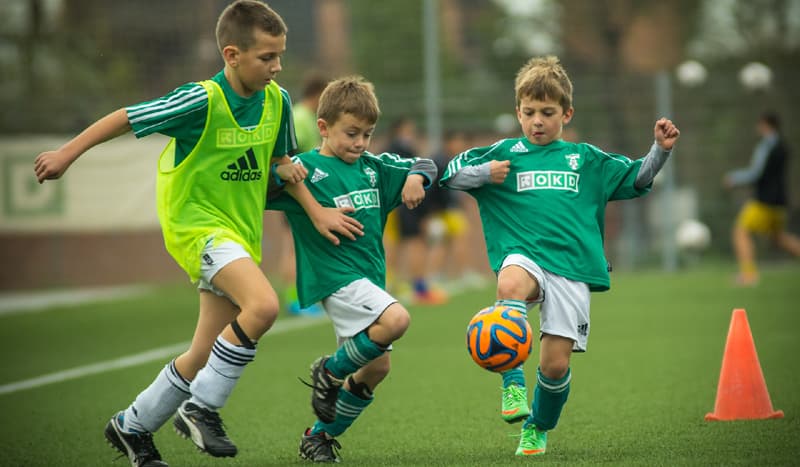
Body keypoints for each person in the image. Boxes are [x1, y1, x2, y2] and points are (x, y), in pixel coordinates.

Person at [33, 2, 362, 466]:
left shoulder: (279, 102)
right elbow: (128, 116)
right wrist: (67, 154)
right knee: (264, 306)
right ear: (231, 54)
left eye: (280, 55)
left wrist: (317, 212)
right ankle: (200, 409)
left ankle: (132, 426)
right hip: (198, 229)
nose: (277, 66)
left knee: (205, 351)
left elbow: (283, 166)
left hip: (241, 235)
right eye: (266, 57)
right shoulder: (201, 99)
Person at [439, 56, 680, 456]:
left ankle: (538, 426)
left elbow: (637, 177)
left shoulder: (584, 159)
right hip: (525, 257)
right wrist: (485, 175)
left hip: (572, 269)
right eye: (529, 112)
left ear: (566, 114)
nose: (537, 121)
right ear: (518, 112)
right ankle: (512, 382)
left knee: (554, 365)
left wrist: (660, 150)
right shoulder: (503, 153)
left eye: (547, 113)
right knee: (509, 282)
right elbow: (450, 174)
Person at [267, 76, 437, 463]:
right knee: (396, 319)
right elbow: (258, 186)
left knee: (377, 368)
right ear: (323, 128)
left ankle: (318, 438)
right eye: (351, 133)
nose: (360, 143)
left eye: (367, 134)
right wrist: (279, 174)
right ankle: (328, 371)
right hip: (337, 278)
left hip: (368, 279)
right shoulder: (306, 170)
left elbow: (425, 162)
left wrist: (415, 177)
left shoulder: (373, 168)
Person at [723, 111, 800, 286]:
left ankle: (749, 275)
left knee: (740, 231)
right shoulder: (784, 146)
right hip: (780, 202)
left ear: (765, 125)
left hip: (764, 202)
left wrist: (734, 178)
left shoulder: (765, 147)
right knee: (779, 238)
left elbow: (756, 173)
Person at [280, 72, 330, 315]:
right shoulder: (299, 116)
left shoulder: (309, 117)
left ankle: (305, 297)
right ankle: (294, 299)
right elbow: (289, 152)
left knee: (304, 245)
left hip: (306, 191)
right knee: (293, 245)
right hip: (294, 191)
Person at [383, 117, 448, 304]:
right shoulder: (400, 151)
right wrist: (424, 212)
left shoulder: (391, 151)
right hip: (405, 205)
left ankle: (395, 283)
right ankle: (416, 287)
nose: (412, 135)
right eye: (408, 130)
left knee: (398, 243)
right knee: (413, 242)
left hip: (396, 205)